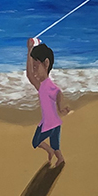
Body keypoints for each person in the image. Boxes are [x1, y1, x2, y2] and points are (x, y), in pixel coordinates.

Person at [26, 38, 70, 169]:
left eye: (36, 66)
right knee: (56, 146)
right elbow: (29, 75)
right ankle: (59, 158)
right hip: (53, 124)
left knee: (36, 142)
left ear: (46, 63)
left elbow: (58, 94)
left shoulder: (47, 86)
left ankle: (51, 152)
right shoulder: (42, 85)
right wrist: (30, 51)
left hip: (50, 125)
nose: (33, 71)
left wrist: (61, 108)